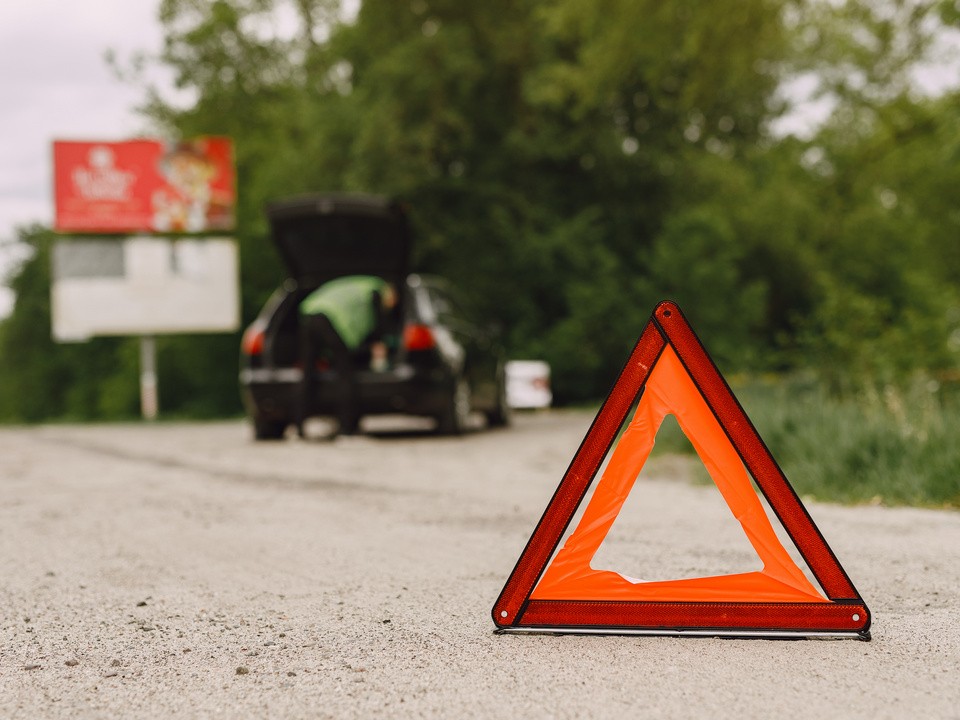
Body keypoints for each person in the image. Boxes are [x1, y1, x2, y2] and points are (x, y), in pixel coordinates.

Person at [297, 275, 398, 438]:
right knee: (345, 373)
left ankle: (299, 427)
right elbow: (378, 324)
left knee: (308, 373)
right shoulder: (375, 290)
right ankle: (347, 427)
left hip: (309, 313)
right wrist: (379, 344)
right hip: (331, 319)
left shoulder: (356, 285)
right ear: (391, 292)